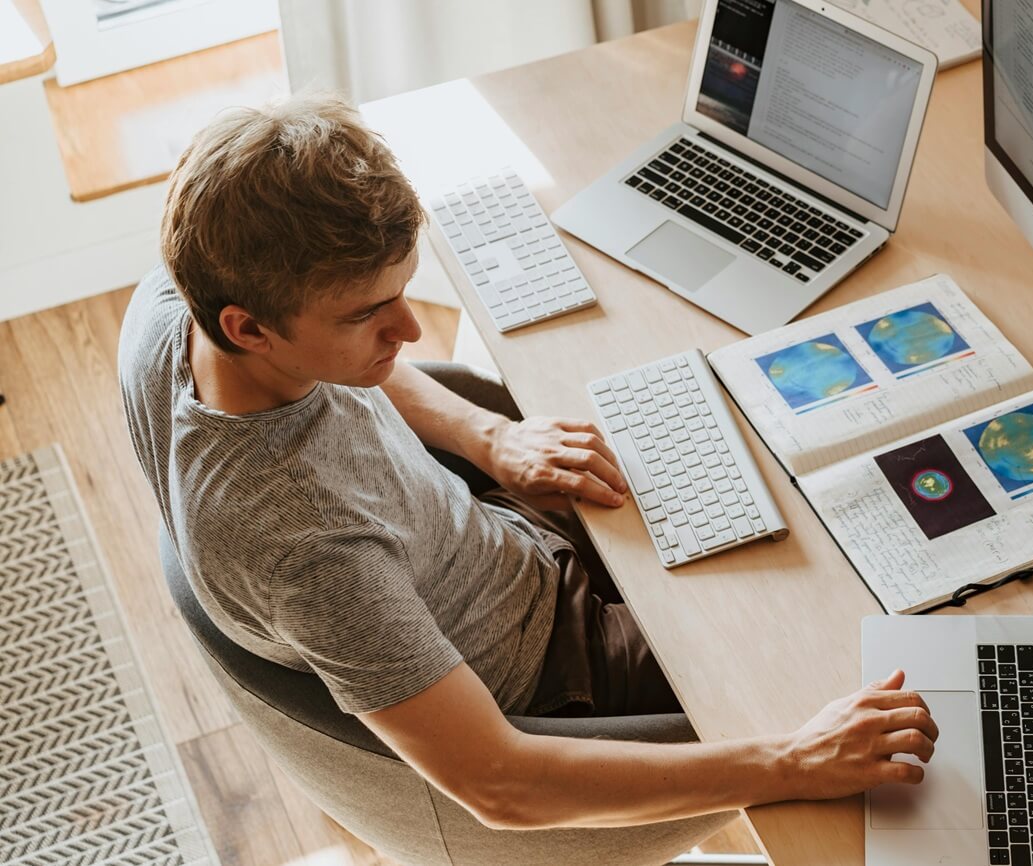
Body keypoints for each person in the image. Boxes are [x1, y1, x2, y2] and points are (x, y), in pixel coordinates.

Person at [118, 92, 936, 831]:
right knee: (856, 643)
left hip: (499, 541)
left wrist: (490, 439)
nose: (409, 332)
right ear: (249, 327)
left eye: (402, 293)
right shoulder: (307, 550)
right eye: (368, 315)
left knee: (769, 471)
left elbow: (354, 358)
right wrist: (792, 764)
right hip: (558, 673)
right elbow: (500, 785)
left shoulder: (179, 302)